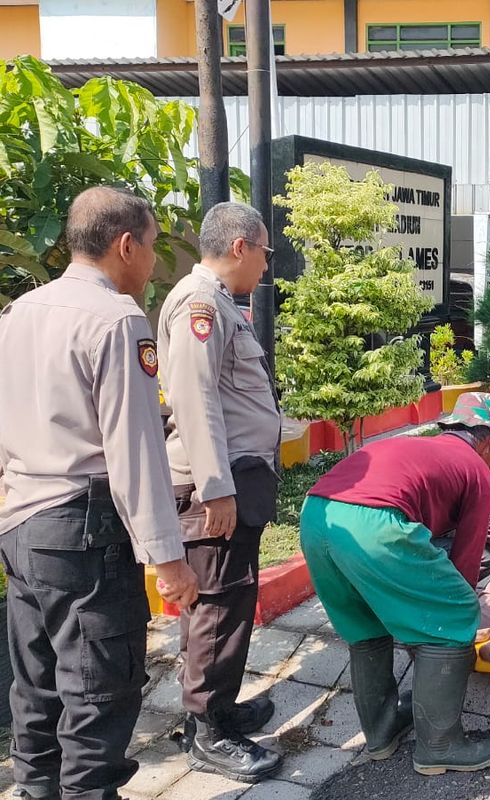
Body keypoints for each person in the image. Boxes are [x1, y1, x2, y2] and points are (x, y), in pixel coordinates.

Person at [0, 187, 200, 800]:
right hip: (83, 528)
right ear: (125, 245)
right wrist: (169, 560)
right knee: (97, 693)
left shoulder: (19, 312)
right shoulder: (116, 320)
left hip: (20, 523)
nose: (151, 260)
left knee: (35, 689)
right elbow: (134, 453)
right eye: (151, 244)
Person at [299, 393, 490, 775]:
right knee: (457, 607)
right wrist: (447, 629)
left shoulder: (422, 447)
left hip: (316, 515)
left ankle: (381, 734)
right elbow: (465, 564)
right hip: (374, 523)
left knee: (365, 623)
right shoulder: (478, 471)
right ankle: (440, 745)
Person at [157, 202, 283, 782]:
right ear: (240, 247)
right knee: (215, 606)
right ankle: (208, 731)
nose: (264, 264)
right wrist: (216, 488)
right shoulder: (200, 304)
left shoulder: (222, 306)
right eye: (264, 252)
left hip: (235, 477)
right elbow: (194, 397)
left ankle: (219, 710)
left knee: (228, 602)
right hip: (218, 484)